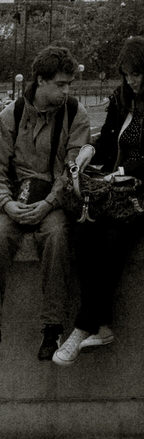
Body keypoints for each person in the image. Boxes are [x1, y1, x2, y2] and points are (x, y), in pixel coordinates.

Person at [53, 37, 144, 367]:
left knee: (113, 240)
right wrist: (90, 151)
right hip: (115, 190)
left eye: (136, 74)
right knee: (83, 233)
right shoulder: (122, 97)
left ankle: (84, 327)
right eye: (126, 75)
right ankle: (102, 324)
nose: (131, 82)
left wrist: (127, 170)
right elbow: (111, 139)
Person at [0, 43, 90, 361]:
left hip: (53, 197)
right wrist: (7, 203)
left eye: (70, 85)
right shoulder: (11, 115)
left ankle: (52, 327)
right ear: (41, 80)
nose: (66, 91)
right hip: (18, 195)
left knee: (56, 236)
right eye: (60, 84)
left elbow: (71, 169)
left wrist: (48, 203)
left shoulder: (75, 115)